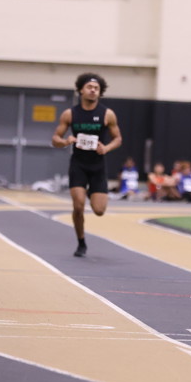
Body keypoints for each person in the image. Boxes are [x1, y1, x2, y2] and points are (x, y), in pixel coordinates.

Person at [52, 73, 122, 257]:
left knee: (99, 210)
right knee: (78, 206)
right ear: (81, 90)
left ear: (100, 92)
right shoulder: (70, 114)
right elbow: (55, 138)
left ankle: (92, 191)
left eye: (96, 88)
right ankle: (81, 242)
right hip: (79, 165)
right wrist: (65, 141)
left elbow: (118, 139)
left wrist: (106, 148)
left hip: (98, 166)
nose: (93, 90)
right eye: (89, 87)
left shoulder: (107, 114)